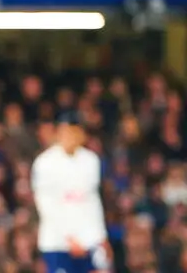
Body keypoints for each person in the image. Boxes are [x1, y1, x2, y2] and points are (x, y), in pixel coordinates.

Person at [32, 112, 111, 273]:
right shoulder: (44, 163)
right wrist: (69, 239)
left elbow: (93, 200)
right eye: (65, 131)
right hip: (57, 243)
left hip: (88, 240)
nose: (69, 136)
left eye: (74, 131)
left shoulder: (91, 160)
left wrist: (102, 236)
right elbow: (46, 207)